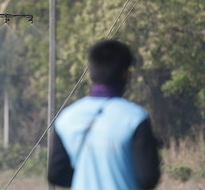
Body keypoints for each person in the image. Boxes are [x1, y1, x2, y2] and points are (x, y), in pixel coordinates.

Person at [47, 39, 160, 190]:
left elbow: (56, 174)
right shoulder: (135, 118)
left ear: (91, 73)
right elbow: (148, 177)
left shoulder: (67, 118)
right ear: (125, 73)